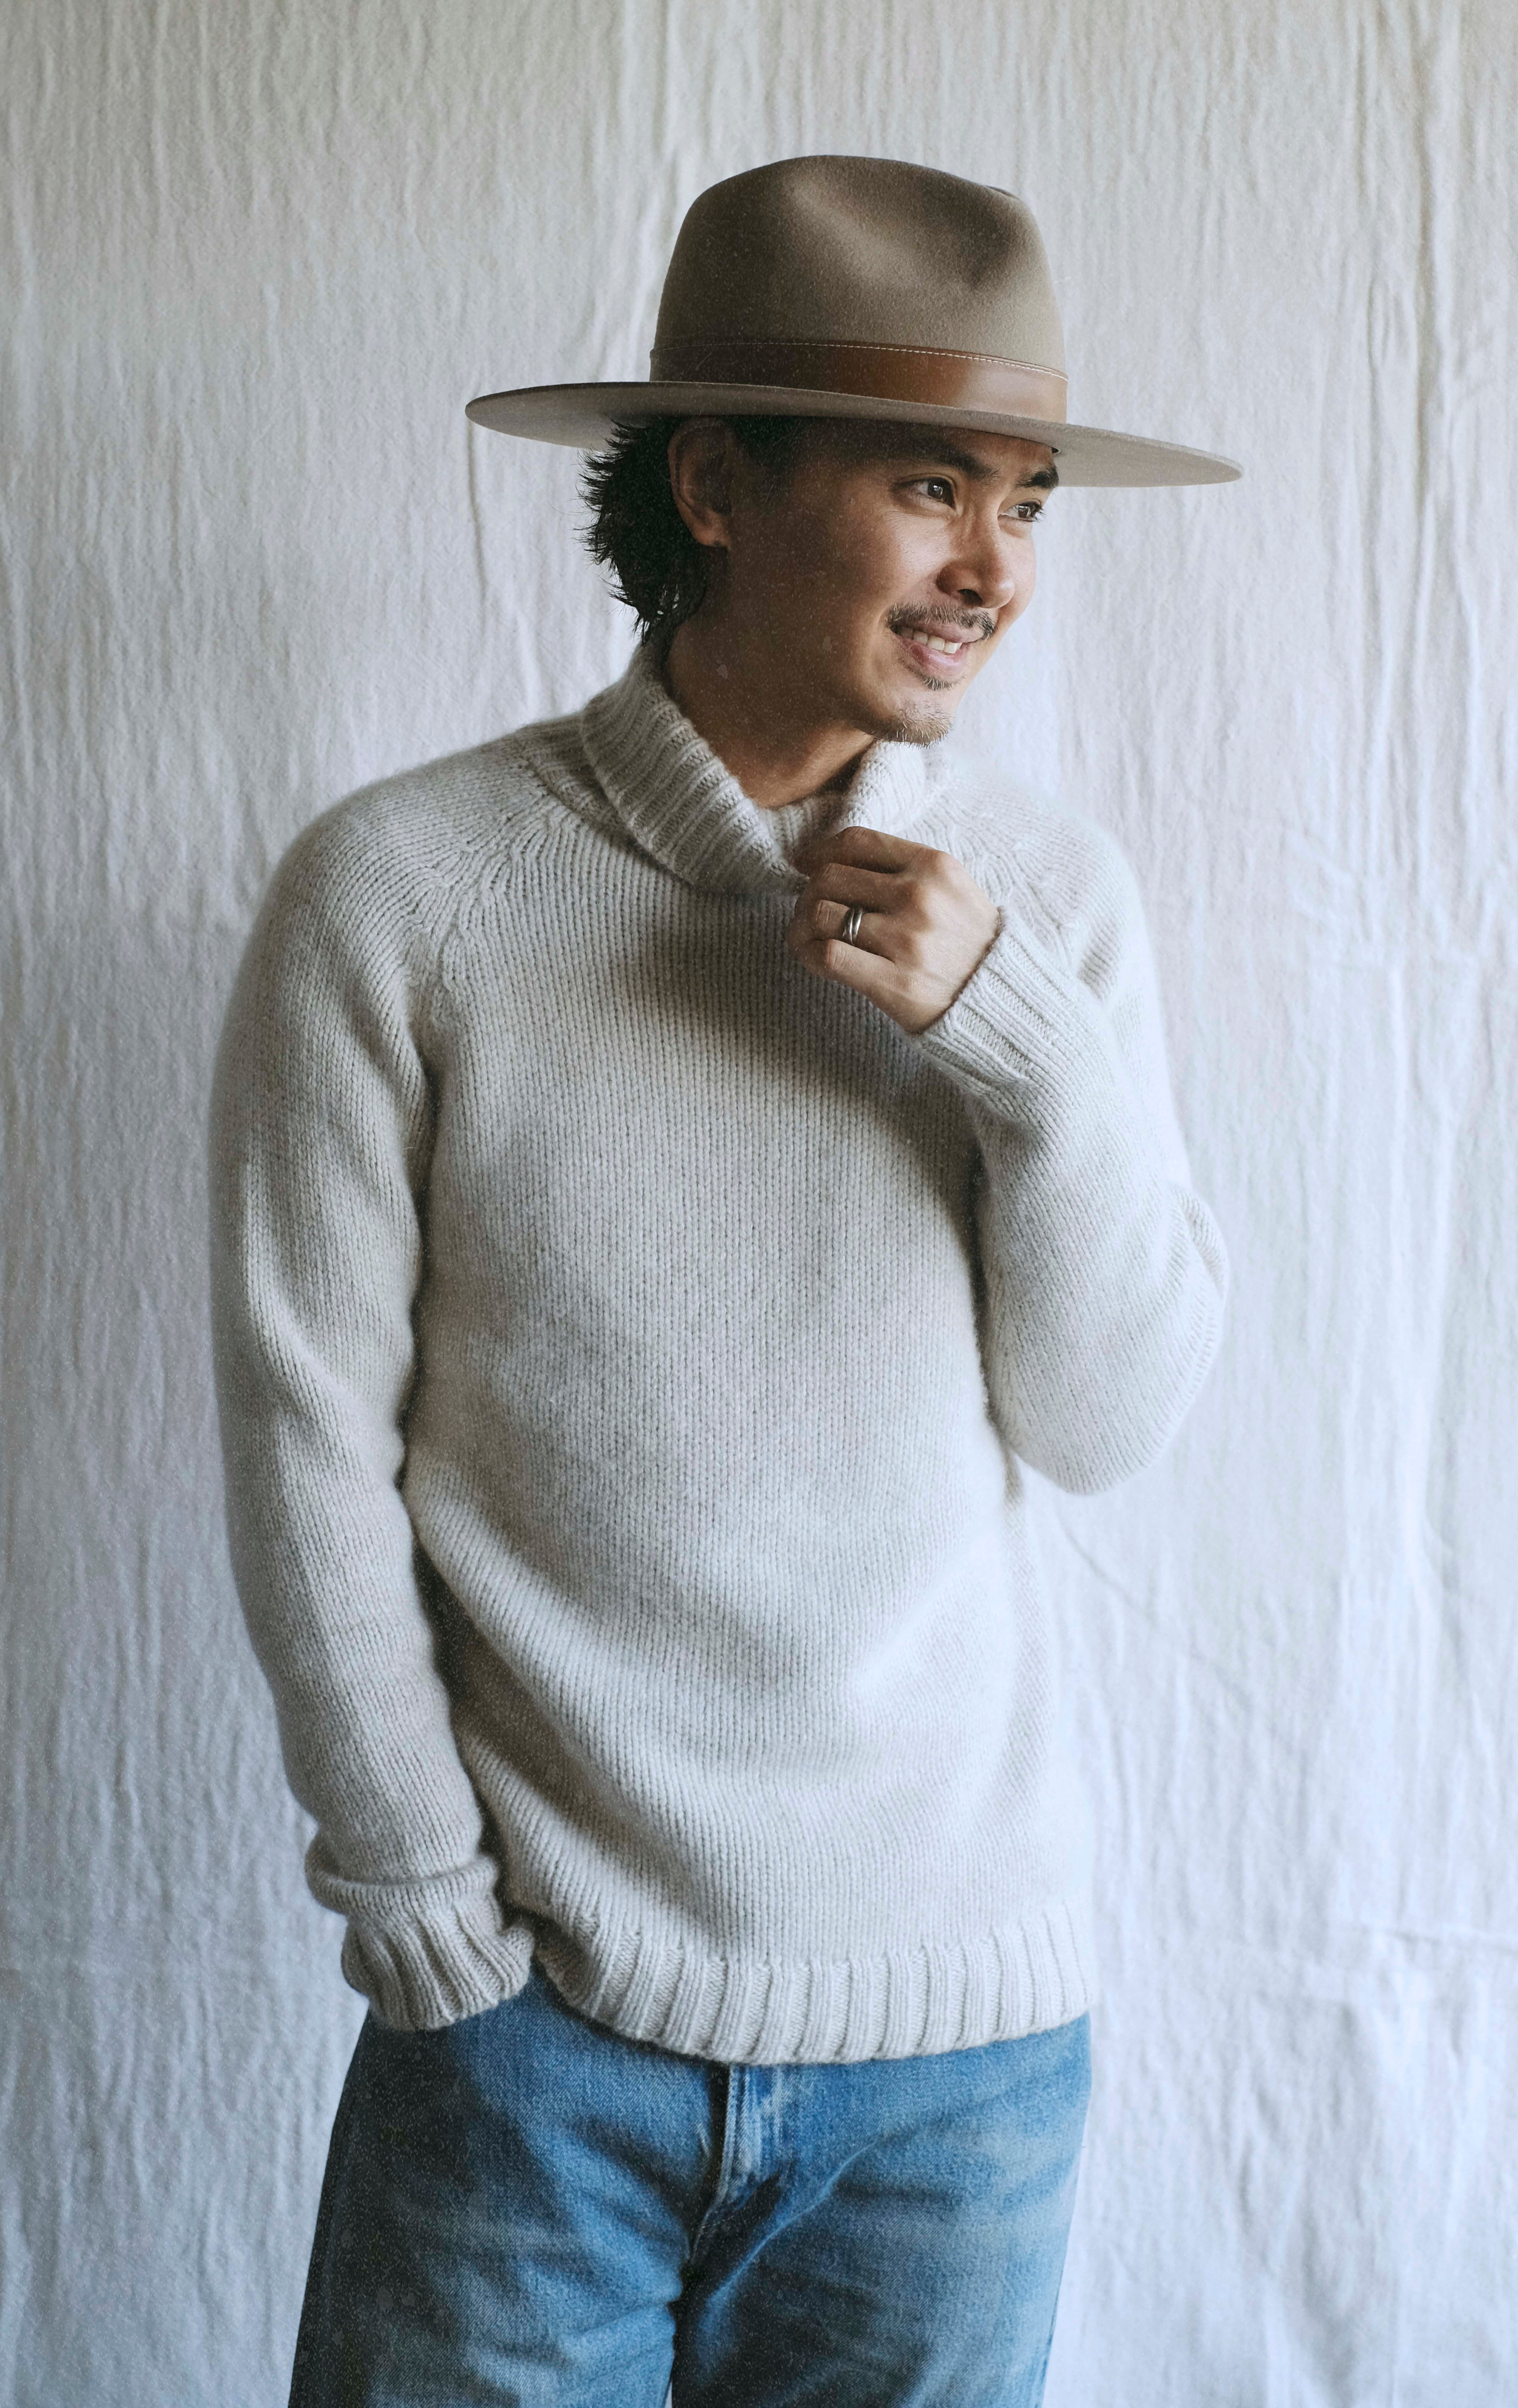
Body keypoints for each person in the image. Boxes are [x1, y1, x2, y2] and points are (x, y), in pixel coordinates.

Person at [209, 154, 1236, 2408]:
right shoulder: (403, 892)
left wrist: (1025, 1053)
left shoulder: (1046, 901)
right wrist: (424, 1915)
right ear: (710, 487)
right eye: (928, 485)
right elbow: (306, 1438)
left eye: (1027, 500)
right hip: (532, 2046)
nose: (995, 568)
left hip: (961, 2071)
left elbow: (1107, 1420)